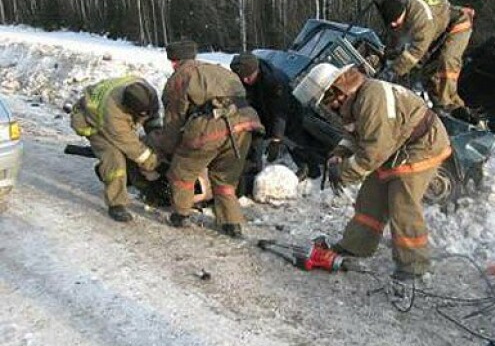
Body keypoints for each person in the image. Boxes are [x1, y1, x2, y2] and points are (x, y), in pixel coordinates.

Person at [293, 63, 452, 280]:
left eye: (328, 100)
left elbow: (373, 151)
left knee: (401, 202)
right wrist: (339, 153)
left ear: (338, 89)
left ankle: (414, 264)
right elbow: (357, 136)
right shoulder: (355, 100)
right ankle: (356, 245)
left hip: (422, 145)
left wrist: (344, 172)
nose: (329, 106)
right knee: (370, 198)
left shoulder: (371, 98)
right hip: (397, 145)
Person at [153, 41, 263, 238]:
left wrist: (166, 149)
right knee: (225, 178)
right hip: (245, 123)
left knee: (182, 171)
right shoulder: (217, 68)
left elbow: (174, 120)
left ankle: (181, 214)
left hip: (211, 126)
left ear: (173, 62)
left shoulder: (180, 78)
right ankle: (232, 223)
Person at [70, 76, 162, 222]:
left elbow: (152, 116)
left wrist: (157, 138)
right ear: (128, 107)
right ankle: (116, 204)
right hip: (91, 122)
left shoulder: (147, 91)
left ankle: (130, 177)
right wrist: (156, 164)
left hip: (109, 113)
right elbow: (134, 149)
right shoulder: (113, 115)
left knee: (142, 144)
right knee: (114, 158)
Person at [378, 0, 474, 118]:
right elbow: (398, 46)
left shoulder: (420, 18)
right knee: (428, 73)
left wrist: (392, 72)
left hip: (458, 23)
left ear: (401, 13)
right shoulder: (402, 17)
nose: (394, 25)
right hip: (438, 33)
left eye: (395, 22)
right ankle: (440, 107)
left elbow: (415, 53)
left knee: (447, 61)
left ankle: (450, 106)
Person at [230, 52, 324, 180]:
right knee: (258, 139)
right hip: (265, 113)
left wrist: (276, 139)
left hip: (288, 114)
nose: (245, 80)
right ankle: (252, 172)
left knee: (295, 143)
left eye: (248, 77)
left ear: (256, 70)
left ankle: (312, 173)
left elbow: (279, 114)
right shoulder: (247, 75)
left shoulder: (275, 81)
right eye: (243, 77)